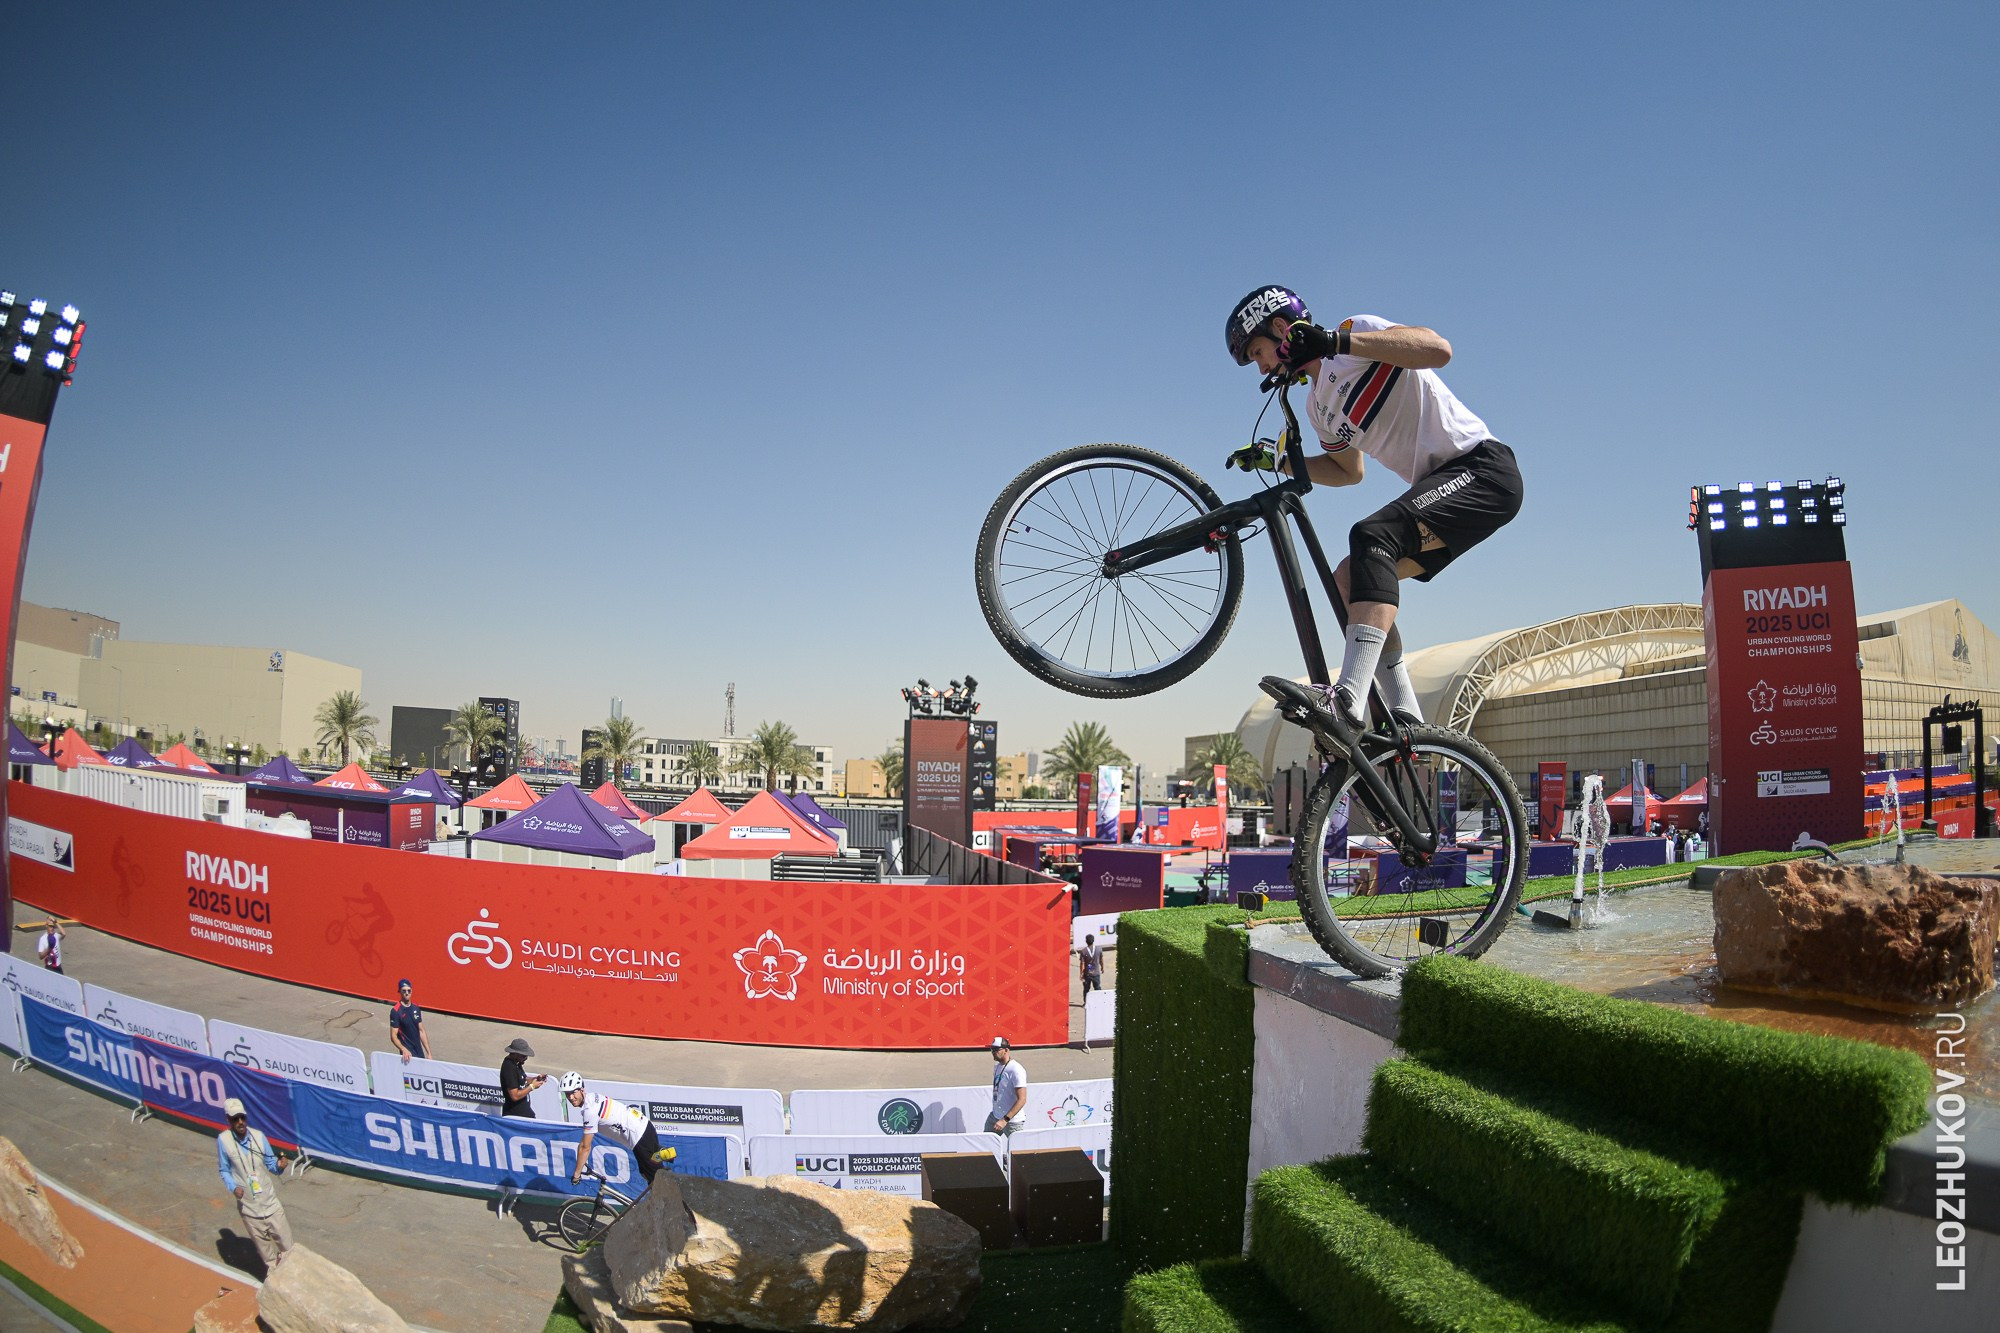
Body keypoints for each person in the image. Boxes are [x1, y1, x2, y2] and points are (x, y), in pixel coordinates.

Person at [1225, 285, 1524, 729]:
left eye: (1257, 352)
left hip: (1482, 469)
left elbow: (1437, 350)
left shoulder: (1354, 334)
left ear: (1282, 328)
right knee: (1349, 577)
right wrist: (1280, 461)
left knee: (1372, 535)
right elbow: (1349, 471)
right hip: (1445, 489)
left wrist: (1333, 342)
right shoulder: (1317, 407)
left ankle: (1346, 698)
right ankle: (1408, 717)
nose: (1261, 367)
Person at [216, 1097, 292, 1273]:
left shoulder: (259, 1137)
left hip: (271, 1205)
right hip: (250, 1210)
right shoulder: (224, 1140)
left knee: (289, 1251)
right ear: (228, 1119)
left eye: (242, 1117)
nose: (240, 1122)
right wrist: (233, 1187)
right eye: (235, 1119)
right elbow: (224, 1170)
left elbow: (271, 1163)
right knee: (269, 1260)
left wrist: (279, 1166)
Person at [560, 1072, 668, 1188]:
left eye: (573, 1092)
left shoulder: (589, 1111)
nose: (571, 1097)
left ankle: (677, 1200)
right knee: (649, 1173)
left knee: (657, 1182)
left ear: (581, 1090)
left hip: (639, 1136)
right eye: (567, 1094)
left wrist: (577, 1174)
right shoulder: (592, 1097)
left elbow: (585, 1147)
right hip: (644, 1128)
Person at [985, 1036, 1027, 1136]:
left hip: (1012, 1121)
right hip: (995, 1116)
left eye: (996, 1049)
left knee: (1017, 1150)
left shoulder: (1016, 1070)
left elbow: (1022, 1099)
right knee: (986, 1147)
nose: (993, 1052)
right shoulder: (997, 1066)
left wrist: (1005, 1120)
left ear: (1006, 1050)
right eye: (992, 1049)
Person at [499, 1037, 546, 1118]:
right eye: (524, 1056)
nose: (526, 1058)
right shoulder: (509, 1068)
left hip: (524, 1113)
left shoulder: (517, 1063)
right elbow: (515, 1096)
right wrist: (532, 1086)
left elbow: (522, 1080)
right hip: (516, 1116)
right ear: (515, 1054)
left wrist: (535, 1079)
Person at [389, 978, 428, 1063]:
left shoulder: (416, 1008)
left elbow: (421, 1031)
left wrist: (429, 1053)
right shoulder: (396, 1011)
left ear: (412, 991)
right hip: (408, 1056)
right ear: (399, 991)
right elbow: (393, 1036)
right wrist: (403, 1049)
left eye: (409, 990)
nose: (407, 993)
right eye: (404, 991)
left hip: (419, 1053)